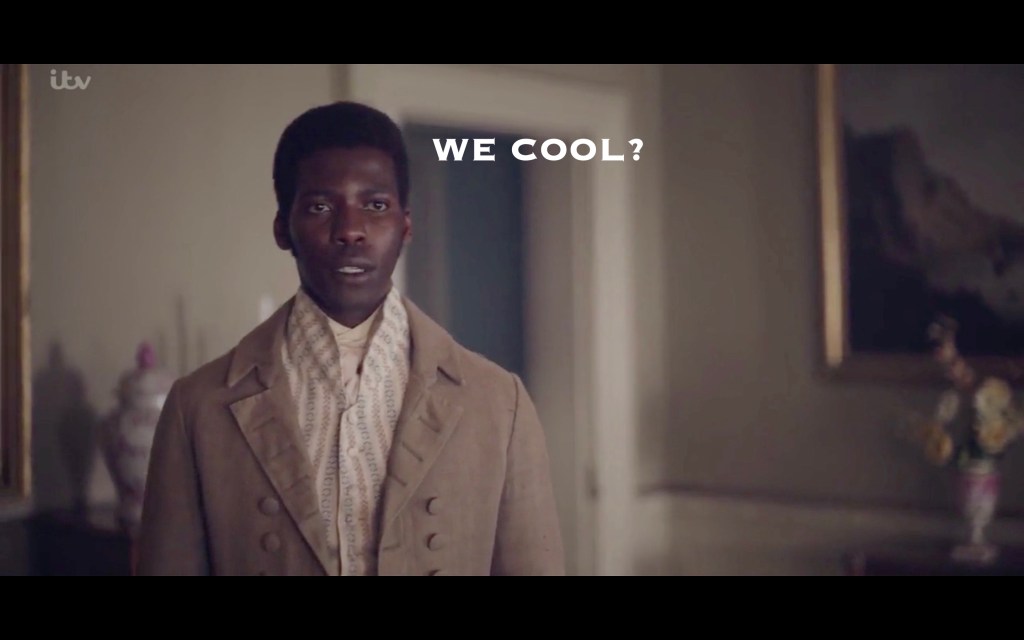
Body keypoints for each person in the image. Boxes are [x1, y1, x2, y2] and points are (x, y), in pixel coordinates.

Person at [136, 101, 564, 576]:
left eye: (375, 205)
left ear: (405, 225)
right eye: (320, 207)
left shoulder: (499, 402)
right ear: (283, 228)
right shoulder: (198, 406)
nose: (350, 231)